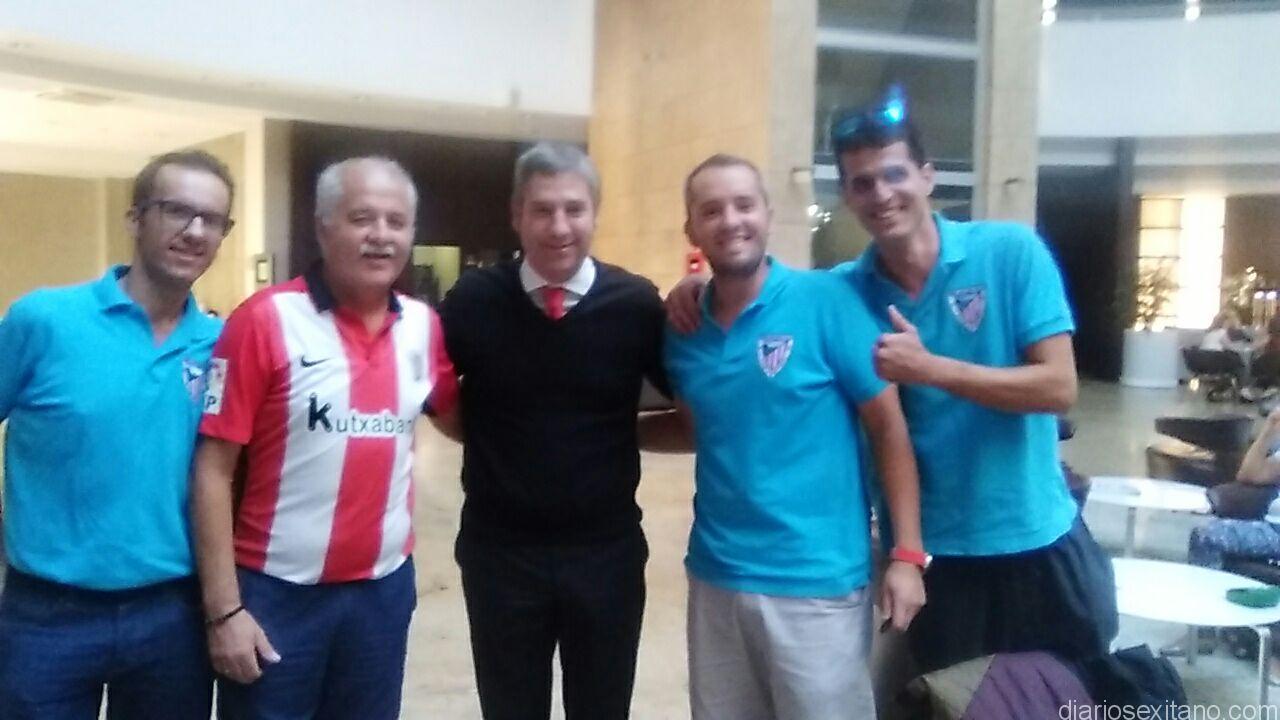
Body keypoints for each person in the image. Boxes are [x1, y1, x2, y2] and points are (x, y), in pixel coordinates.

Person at [669, 90, 1117, 678]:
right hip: (939, 555)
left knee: (1069, 700)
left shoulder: (1009, 253)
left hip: (1038, 539)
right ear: (848, 197)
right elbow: (771, 294)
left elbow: (1059, 387)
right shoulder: (846, 291)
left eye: (894, 174)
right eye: (861, 183)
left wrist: (931, 368)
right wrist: (695, 290)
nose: (880, 194)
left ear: (927, 176)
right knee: (952, 706)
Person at [192, 156, 457, 719]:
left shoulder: (423, 325)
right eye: (362, 218)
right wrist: (224, 611)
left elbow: (460, 418)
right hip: (276, 594)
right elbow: (212, 470)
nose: (381, 235)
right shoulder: (264, 320)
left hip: (382, 594)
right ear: (323, 226)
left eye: (396, 222)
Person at [665, 154, 926, 719]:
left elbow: (888, 428)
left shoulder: (825, 303)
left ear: (767, 214)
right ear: (691, 230)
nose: (731, 220)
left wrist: (907, 555)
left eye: (744, 205)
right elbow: (701, 429)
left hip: (818, 586)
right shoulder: (683, 332)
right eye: (711, 210)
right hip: (717, 578)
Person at [432, 142, 668, 720]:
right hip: (500, 555)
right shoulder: (473, 301)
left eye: (574, 209)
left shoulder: (637, 305)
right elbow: (439, 399)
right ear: (516, 215)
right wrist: (494, 441)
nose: (559, 227)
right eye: (542, 210)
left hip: (606, 555)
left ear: (595, 213)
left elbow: (692, 397)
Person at [0, 149, 234, 719]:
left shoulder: (223, 345)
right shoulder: (44, 321)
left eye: (211, 219)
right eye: (177, 210)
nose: (194, 231)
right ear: (135, 219)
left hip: (173, 615)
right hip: (47, 615)